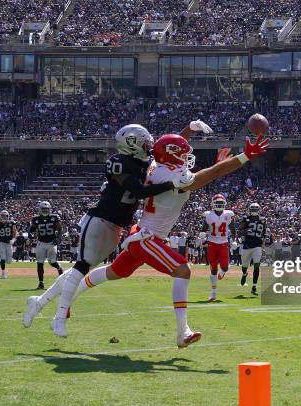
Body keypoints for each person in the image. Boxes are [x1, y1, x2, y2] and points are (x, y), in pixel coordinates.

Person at [64, 133, 269, 347]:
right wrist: (245, 156)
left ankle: (69, 297)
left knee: (114, 272)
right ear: (171, 155)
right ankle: (183, 333)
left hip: (144, 234)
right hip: (147, 238)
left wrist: (193, 137)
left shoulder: (158, 167)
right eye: (182, 153)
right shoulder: (170, 175)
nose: (187, 156)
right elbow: (213, 173)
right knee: (183, 270)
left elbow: (204, 170)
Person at [22, 122, 207, 328]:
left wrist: (188, 131)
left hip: (117, 226)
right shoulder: (118, 162)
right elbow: (138, 191)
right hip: (101, 220)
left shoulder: (144, 163)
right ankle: (59, 317)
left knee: (83, 269)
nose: (150, 145)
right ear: (133, 144)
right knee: (80, 268)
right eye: (145, 142)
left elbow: (166, 150)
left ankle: (38, 303)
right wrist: (171, 183)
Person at [203, 194, 235, 301]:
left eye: (221, 203)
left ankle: (222, 273)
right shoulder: (208, 214)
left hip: (223, 243)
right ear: (213, 204)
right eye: (217, 203)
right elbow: (204, 227)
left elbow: (233, 229)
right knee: (213, 269)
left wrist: (234, 240)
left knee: (225, 267)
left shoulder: (228, 214)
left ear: (224, 203)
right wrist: (202, 233)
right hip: (212, 242)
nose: (219, 205)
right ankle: (213, 293)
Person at [29, 201, 64, 289]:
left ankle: (59, 269)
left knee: (52, 262)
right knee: (40, 262)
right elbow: (31, 229)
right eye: (43, 209)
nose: (45, 211)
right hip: (41, 242)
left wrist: (58, 238)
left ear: (50, 209)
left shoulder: (54, 217)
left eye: (46, 209)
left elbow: (60, 229)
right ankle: (41, 283)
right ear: (40, 210)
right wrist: (31, 234)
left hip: (51, 242)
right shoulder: (36, 219)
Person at [239, 202, 267, 296]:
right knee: (244, 266)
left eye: (256, 209)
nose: (254, 211)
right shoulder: (245, 219)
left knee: (256, 265)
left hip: (257, 246)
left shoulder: (263, 220)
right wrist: (246, 231)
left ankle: (254, 287)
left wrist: (263, 244)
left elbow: (264, 233)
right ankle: (244, 274)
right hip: (247, 245)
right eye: (253, 209)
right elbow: (240, 231)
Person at [0, 210, 18, 279]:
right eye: (2, 216)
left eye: (5, 216)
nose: (4, 217)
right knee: (3, 258)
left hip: (9, 243)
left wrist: (13, 239)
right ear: (0, 216)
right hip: (1, 243)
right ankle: (3, 273)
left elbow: (15, 232)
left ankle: (3, 262)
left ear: (8, 216)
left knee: (9, 261)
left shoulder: (12, 223)